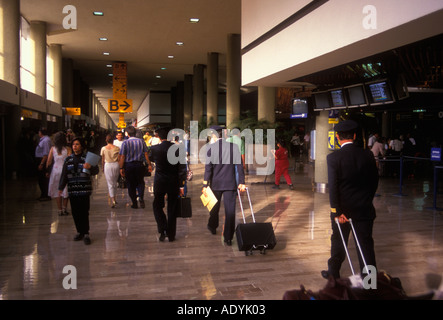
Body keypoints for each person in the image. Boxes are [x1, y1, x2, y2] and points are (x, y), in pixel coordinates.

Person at [322, 120, 379, 280]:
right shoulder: (367, 154)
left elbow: (333, 187)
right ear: (354, 136)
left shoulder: (333, 158)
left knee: (338, 241)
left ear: (338, 137)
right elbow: (374, 181)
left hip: (343, 211)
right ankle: (370, 283)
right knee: (366, 246)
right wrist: (366, 200)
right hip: (364, 209)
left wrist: (337, 211)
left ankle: (333, 273)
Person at [203, 125, 246, 246]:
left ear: (214, 136)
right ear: (225, 135)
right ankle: (228, 237)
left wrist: (205, 184)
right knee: (230, 211)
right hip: (230, 183)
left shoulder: (211, 148)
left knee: (214, 208)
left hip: (215, 184)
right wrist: (241, 182)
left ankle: (212, 226)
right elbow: (239, 166)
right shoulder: (234, 147)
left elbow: (208, 169)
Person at [59, 137, 99, 245]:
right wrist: (60, 187)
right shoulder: (68, 160)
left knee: (84, 211)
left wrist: (90, 167)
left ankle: (86, 233)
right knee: (75, 212)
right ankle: (79, 231)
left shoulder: (87, 158)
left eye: (77, 144)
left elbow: (96, 170)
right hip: (73, 189)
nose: (75, 146)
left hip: (84, 189)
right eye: (73, 145)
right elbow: (64, 174)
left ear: (81, 146)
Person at [150, 127, 187, 242]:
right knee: (172, 207)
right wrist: (182, 185)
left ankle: (162, 230)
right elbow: (182, 168)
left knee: (157, 206)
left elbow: (151, 158)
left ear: (158, 137)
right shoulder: (178, 149)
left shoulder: (155, 149)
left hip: (160, 181)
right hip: (173, 181)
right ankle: (171, 235)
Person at [119, 126, 152, 209]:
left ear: (127, 133)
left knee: (130, 184)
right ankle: (141, 197)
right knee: (140, 182)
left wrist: (121, 168)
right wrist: (149, 164)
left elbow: (122, 156)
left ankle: (134, 202)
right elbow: (145, 154)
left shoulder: (125, 143)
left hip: (129, 166)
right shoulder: (141, 141)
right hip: (139, 165)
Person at [46, 131, 72, 215]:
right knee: (65, 189)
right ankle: (64, 208)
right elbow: (70, 160)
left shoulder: (52, 149)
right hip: (65, 171)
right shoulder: (68, 149)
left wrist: (47, 171)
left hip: (55, 170)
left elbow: (49, 161)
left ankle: (59, 209)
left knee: (57, 190)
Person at [101, 134, 121, 208]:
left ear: (106, 140)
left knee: (110, 183)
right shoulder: (117, 148)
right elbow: (119, 159)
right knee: (115, 182)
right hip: (116, 165)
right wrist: (121, 167)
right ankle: (115, 198)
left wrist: (102, 168)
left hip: (108, 165)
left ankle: (113, 200)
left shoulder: (103, 148)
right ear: (113, 140)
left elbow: (102, 160)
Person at [35, 128, 53, 201]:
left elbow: (46, 154)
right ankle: (44, 194)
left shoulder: (45, 141)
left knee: (43, 179)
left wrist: (42, 163)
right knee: (42, 179)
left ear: (41, 133)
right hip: (42, 159)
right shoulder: (45, 140)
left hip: (43, 160)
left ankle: (45, 194)